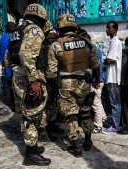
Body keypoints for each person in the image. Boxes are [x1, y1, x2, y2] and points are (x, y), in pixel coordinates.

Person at [46, 14, 100, 157]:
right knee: (86, 112)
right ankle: (88, 141)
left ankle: (75, 146)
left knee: (70, 115)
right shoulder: (86, 43)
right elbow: (96, 64)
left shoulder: (56, 45)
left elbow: (51, 72)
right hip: (84, 83)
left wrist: (53, 86)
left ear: (61, 28)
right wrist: (96, 80)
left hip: (66, 84)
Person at [5, 3, 51, 166]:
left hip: (19, 76)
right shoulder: (34, 30)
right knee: (32, 112)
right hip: (29, 77)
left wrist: (16, 73)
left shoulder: (16, 32)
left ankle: (33, 145)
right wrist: (34, 80)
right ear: (40, 17)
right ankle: (30, 154)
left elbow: (8, 57)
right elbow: (26, 55)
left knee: (28, 111)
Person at [79, 32, 107, 134]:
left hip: (97, 81)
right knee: (98, 101)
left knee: (96, 104)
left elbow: (97, 67)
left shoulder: (92, 50)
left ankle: (98, 125)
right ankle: (103, 118)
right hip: (98, 79)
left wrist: (96, 81)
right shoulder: (94, 48)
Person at [102, 21, 123, 134]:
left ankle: (116, 126)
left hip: (114, 77)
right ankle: (117, 124)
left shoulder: (115, 42)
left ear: (114, 30)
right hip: (112, 76)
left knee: (115, 102)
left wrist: (107, 60)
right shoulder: (113, 42)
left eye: (109, 28)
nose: (107, 30)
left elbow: (108, 60)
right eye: (107, 28)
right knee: (115, 102)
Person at [0, 21, 16, 111]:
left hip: (8, 66)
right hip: (18, 66)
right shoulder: (17, 36)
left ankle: (14, 105)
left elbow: (1, 54)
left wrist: (3, 66)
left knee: (11, 86)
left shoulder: (3, 38)